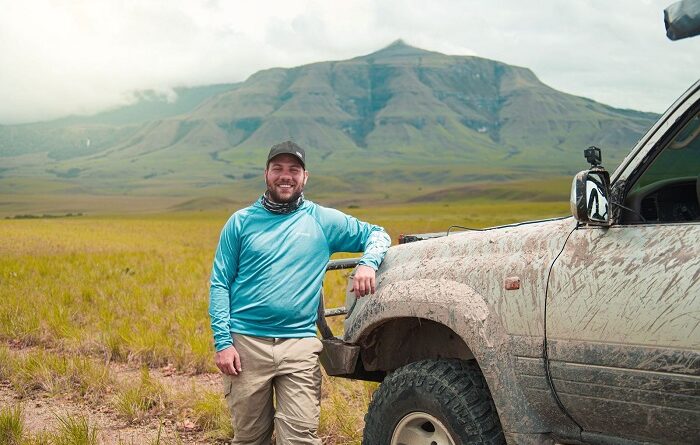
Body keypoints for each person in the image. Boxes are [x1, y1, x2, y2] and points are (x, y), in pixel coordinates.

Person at [209, 140, 391, 445]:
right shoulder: (240, 222)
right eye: (278, 168)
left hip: (299, 345)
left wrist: (367, 264)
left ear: (305, 177)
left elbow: (377, 233)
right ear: (266, 173)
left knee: (300, 437)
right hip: (245, 346)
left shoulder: (321, 220)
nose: (285, 175)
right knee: (250, 438)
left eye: (294, 169)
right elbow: (219, 283)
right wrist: (223, 343)